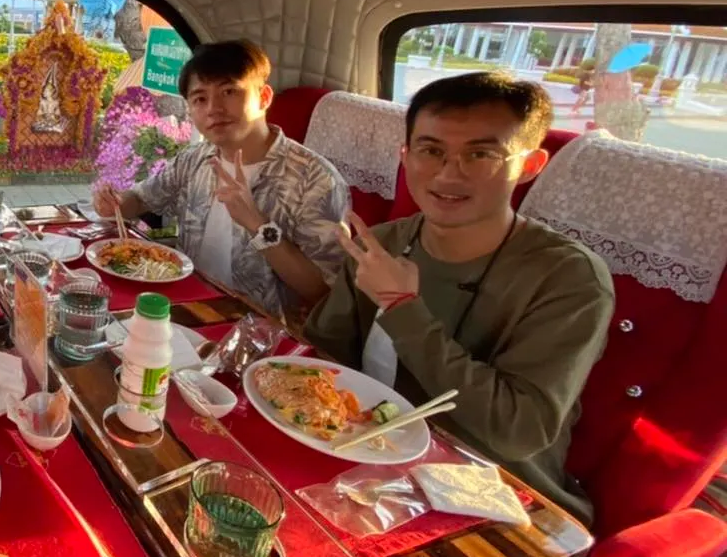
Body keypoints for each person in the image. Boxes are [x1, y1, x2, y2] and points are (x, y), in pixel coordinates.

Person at [304, 72, 614, 523]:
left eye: (481, 154)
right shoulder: (382, 243)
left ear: (530, 165)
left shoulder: (569, 279)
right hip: (365, 461)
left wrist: (401, 308)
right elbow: (323, 356)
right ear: (405, 156)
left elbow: (516, 432)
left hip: (498, 498)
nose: (449, 173)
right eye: (431, 151)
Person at [93, 40, 350, 321]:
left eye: (229, 92)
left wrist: (258, 225)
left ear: (264, 97)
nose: (214, 108)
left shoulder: (316, 179)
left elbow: (324, 291)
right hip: (188, 309)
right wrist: (116, 202)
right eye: (200, 99)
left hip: (264, 331)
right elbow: (141, 198)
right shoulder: (195, 159)